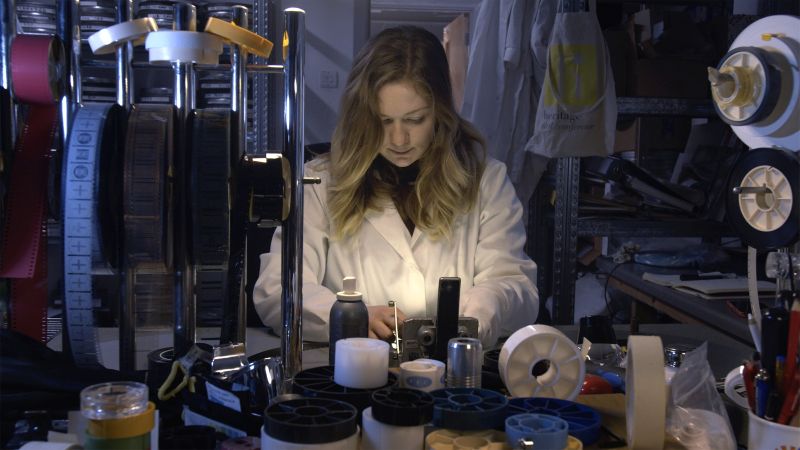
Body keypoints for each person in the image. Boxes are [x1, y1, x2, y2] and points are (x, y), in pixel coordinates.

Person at [253, 25, 539, 348]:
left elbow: (518, 287)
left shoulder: (486, 181)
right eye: (383, 121)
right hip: (353, 373)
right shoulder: (320, 182)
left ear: (441, 114)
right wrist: (350, 317)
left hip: (454, 378)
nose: (399, 139)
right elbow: (277, 289)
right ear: (362, 116)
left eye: (415, 120)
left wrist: (489, 303)